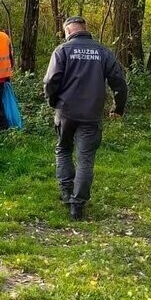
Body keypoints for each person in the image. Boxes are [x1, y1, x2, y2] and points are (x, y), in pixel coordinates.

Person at [43, 16, 128, 221]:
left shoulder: (62, 51)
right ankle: (77, 204)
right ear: (84, 29)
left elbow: (50, 81)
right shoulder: (103, 52)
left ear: (68, 31)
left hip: (66, 112)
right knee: (86, 159)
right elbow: (120, 83)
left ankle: (66, 192)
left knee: (63, 149)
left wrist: (53, 102)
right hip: (92, 114)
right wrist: (118, 108)